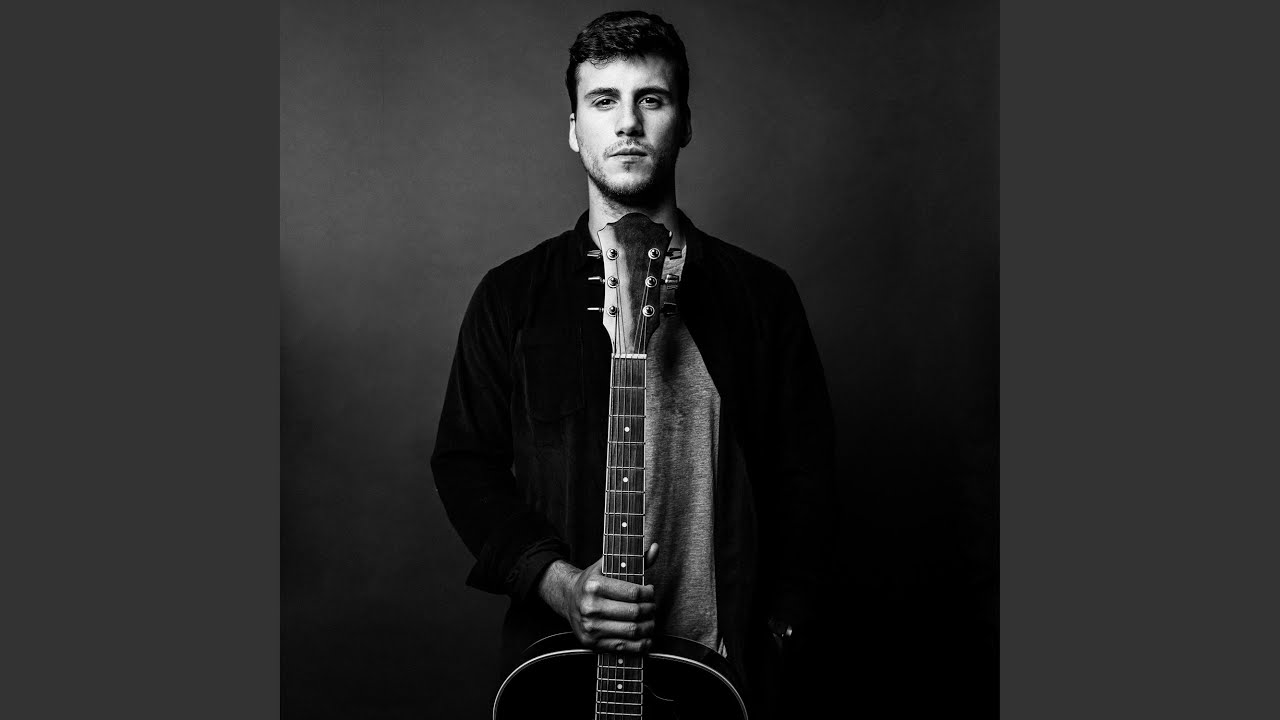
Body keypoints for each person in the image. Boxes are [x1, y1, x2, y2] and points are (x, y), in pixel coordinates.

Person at [431, 10, 835, 717]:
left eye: (651, 98)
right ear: (573, 129)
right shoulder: (512, 296)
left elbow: (807, 478)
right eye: (603, 101)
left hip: (725, 676)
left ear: (685, 122)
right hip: (562, 673)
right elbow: (466, 465)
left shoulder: (761, 297)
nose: (627, 123)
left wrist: (780, 633)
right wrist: (558, 584)